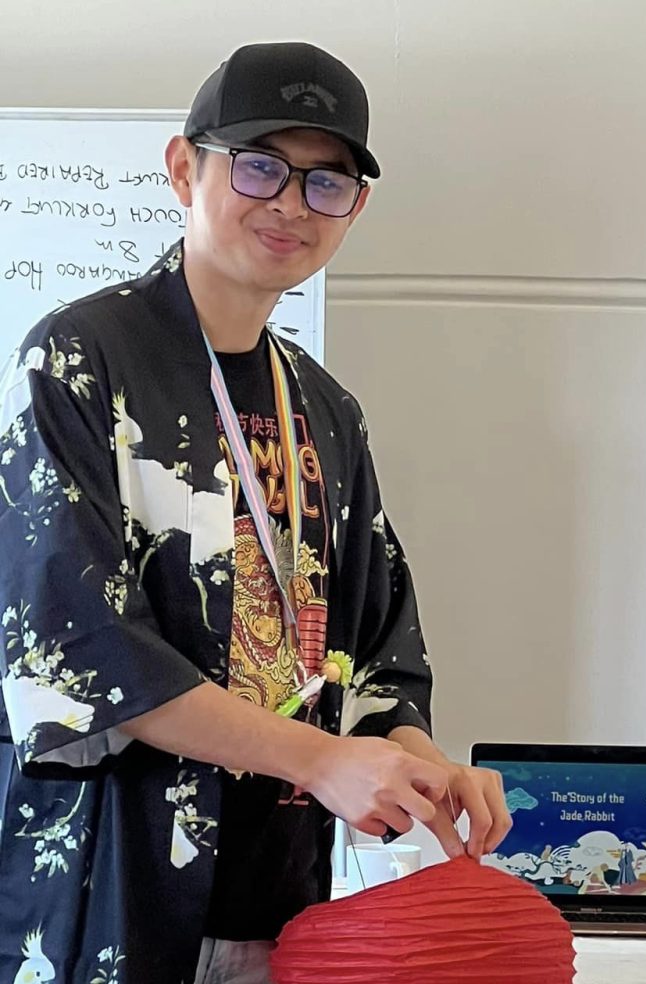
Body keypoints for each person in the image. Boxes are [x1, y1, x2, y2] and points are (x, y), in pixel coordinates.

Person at [0, 41, 511, 984]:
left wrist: (412, 757)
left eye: (329, 182)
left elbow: (378, 638)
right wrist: (318, 760)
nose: (290, 204)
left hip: (280, 893)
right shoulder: (79, 359)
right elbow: (72, 648)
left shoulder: (324, 406)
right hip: (110, 877)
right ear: (184, 168)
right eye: (263, 165)